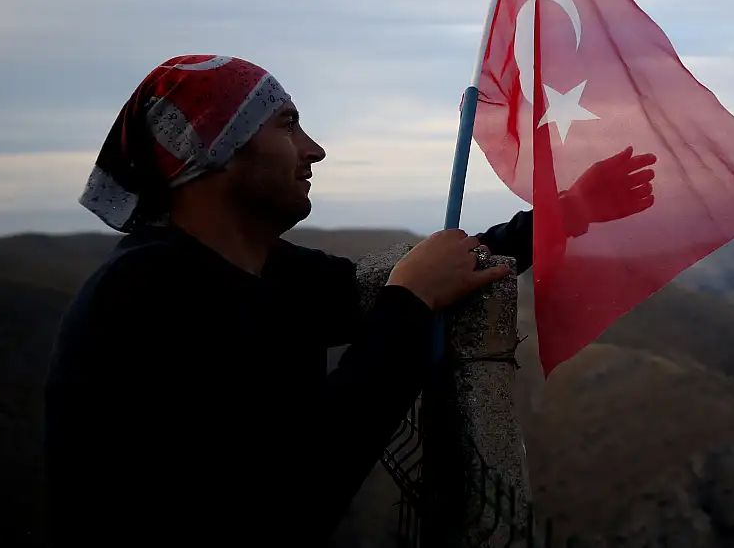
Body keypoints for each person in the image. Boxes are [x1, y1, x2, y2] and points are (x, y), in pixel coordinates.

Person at [42, 55, 529, 547]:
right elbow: (284, 498)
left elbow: (383, 286)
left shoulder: (267, 267)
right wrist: (411, 302)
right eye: (288, 125)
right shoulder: (145, 297)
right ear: (218, 147)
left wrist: (565, 214)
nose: (313, 150)